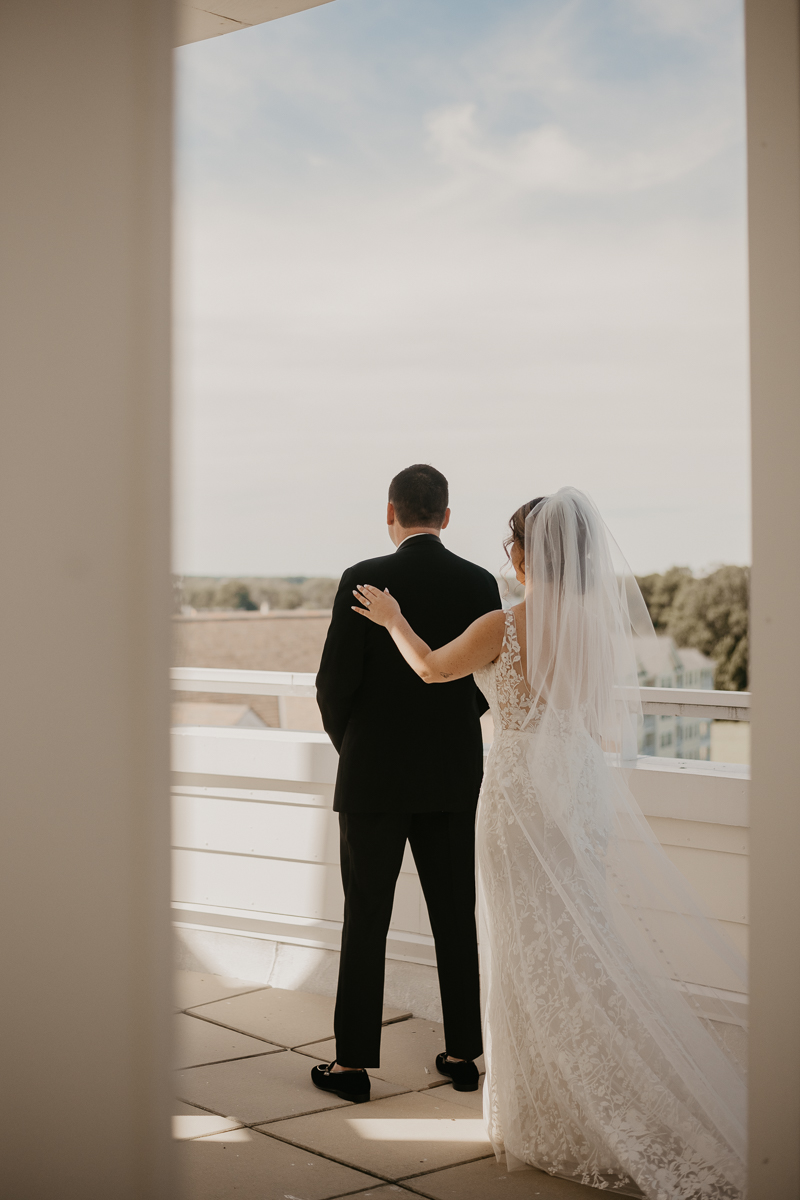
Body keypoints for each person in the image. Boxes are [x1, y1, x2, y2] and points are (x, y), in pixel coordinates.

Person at [351, 487, 747, 1200]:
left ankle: (544, 1117)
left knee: (524, 949)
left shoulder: (504, 624)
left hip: (520, 797)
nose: (507, 554)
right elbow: (599, 725)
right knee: (580, 940)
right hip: (580, 793)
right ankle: (581, 1099)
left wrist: (394, 619)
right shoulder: (597, 632)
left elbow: (433, 669)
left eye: (512, 544)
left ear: (527, 554)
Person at [312, 464, 502, 1104]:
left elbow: (332, 685)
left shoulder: (362, 580)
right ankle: (463, 1054)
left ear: (389, 512)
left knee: (366, 915)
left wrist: (354, 745)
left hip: (373, 775)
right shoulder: (480, 582)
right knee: (455, 916)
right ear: (447, 517)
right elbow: (484, 687)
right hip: (452, 775)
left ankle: (353, 1066)